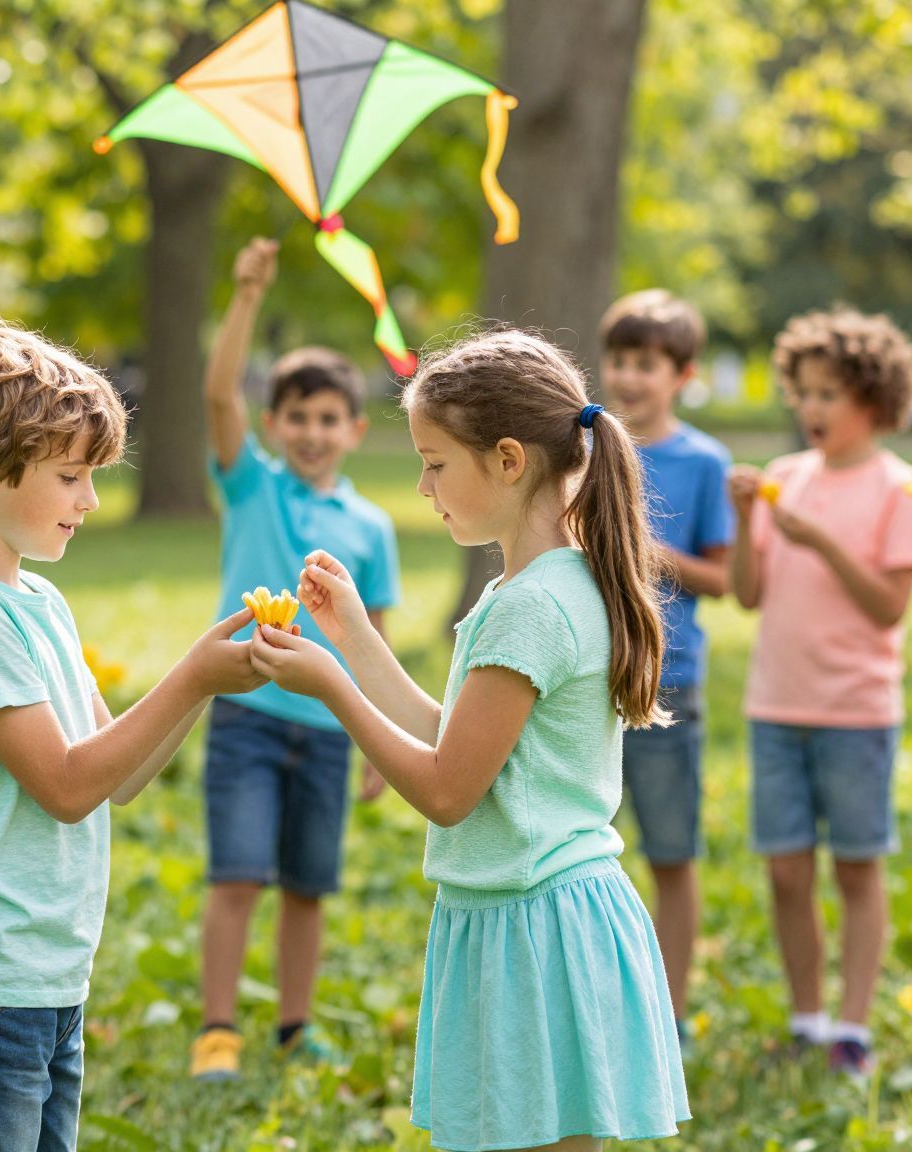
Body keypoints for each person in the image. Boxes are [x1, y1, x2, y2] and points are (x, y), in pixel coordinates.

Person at [248, 329, 688, 1150]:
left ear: (508, 460)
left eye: (436, 463)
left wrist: (333, 688)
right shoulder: (551, 584)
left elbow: (450, 791)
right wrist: (355, 638)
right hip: (536, 915)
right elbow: (458, 738)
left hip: (536, 927)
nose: (423, 485)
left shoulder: (530, 608)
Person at [0, 320, 264, 1150]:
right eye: (69, 477)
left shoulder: (38, 604)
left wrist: (208, 683)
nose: (89, 501)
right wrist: (191, 677)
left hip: (45, 974)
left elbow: (115, 776)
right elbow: (64, 787)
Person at [192, 239, 401, 1081]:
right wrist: (246, 295)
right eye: (297, 417)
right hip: (246, 715)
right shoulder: (253, 486)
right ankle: (217, 1029)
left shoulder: (372, 527)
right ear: (273, 424)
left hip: (328, 727)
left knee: (309, 886)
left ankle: (293, 1025)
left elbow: (373, 638)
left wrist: (381, 737)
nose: (312, 432)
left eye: (328, 419)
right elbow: (218, 394)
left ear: (354, 429)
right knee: (238, 877)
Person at [727, 308, 912, 1076]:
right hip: (775, 706)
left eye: (828, 394)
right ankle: (807, 1018)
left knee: (855, 868)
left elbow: (889, 607)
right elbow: (748, 595)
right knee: (786, 871)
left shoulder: (899, 489)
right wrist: (746, 519)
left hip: (855, 712)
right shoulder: (784, 478)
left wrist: (821, 541)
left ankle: (854, 1026)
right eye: (803, 392)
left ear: (873, 401)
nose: (810, 408)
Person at [598, 289, 733, 1045]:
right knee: (583, 855)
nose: (627, 376)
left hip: (666, 682)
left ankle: (669, 1014)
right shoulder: (586, 448)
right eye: (618, 359)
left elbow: (722, 578)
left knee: (671, 853)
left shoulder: (704, 462)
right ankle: (596, 1001)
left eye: (645, 364)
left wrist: (643, 550)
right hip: (584, 682)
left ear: (681, 375)